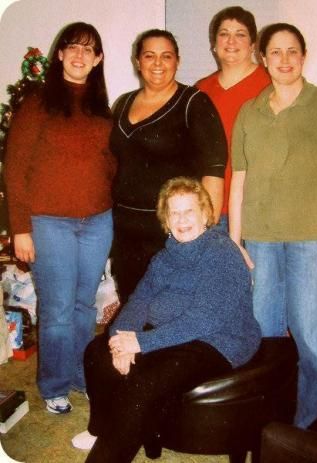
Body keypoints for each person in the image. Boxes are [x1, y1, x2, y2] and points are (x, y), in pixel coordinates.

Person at [71, 177, 261, 461]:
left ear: (206, 215)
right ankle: (101, 428)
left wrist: (141, 343)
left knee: (144, 383)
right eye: (175, 213)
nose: (182, 220)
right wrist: (119, 340)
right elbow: (139, 301)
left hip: (219, 340)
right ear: (166, 220)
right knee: (97, 353)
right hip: (173, 332)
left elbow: (203, 320)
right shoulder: (164, 257)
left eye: (189, 211)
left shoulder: (222, 253)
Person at [229, 23, 317, 428]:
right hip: (261, 240)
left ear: (303, 56)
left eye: (292, 51)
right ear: (262, 58)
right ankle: (270, 424)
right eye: (276, 52)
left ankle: (308, 428)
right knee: (265, 342)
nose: (284, 60)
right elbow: (240, 182)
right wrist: (236, 243)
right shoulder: (250, 111)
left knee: (313, 344)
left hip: (313, 240)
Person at [5, 22, 116, 414]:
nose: (80, 55)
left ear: (98, 59)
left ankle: (81, 377)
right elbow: (14, 169)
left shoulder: (102, 107)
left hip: (98, 222)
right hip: (49, 223)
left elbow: (112, 167)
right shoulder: (37, 102)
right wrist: (20, 228)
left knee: (84, 307)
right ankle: (54, 384)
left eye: (89, 49)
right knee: (56, 309)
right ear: (60, 54)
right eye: (73, 47)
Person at [110, 29, 227, 304]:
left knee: (169, 309)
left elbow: (214, 170)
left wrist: (204, 232)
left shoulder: (194, 103)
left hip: (171, 229)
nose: (158, 63)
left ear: (177, 61)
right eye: (149, 56)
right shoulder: (123, 103)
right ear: (137, 61)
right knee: (132, 305)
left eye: (166, 56)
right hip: (126, 230)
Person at [196, 6, 270, 229]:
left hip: (257, 210)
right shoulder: (200, 91)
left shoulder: (270, 85)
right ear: (214, 44)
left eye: (240, 34)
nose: (231, 41)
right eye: (224, 34)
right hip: (211, 207)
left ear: (253, 45)